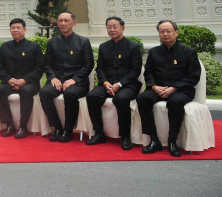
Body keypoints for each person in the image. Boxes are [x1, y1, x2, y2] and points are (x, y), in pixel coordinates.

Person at [137, 19, 201, 157]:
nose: (165, 34)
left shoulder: (188, 52)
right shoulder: (154, 52)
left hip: (181, 90)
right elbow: (148, 73)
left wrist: (174, 88)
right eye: (162, 31)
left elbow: (193, 76)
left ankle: (172, 141)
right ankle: (154, 140)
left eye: (168, 31)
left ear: (176, 32)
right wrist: (155, 87)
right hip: (158, 89)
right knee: (142, 99)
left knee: (175, 102)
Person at [85, 16, 142, 150]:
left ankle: (125, 136)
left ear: (123, 28)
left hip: (127, 84)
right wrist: (105, 83)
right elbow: (100, 68)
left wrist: (119, 84)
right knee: (92, 97)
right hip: (108, 83)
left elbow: (135, 70)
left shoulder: (133, 46)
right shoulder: (104, 47)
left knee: (121, 99)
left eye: (115, 27)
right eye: (109, 27)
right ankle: (99, 133)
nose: (112, 29)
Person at [39, 11, 94, 143]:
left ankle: (68, 130)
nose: (63, 23)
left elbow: (89, 65)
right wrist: (53, 77)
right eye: (60, 21)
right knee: (44, 92)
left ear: (74, 23)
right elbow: (47, 64)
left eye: (66, 20)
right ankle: (57, 128)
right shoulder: (53, 42)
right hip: (57, 79)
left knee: (70, 93)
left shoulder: (83, 41)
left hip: (77, 82)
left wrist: (74, 79)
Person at [0, 18, 43, 139]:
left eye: (18, 28)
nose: (15, 30)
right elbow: (0, 66)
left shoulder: (34, 47)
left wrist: (24, 80)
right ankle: (9, 124)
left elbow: (39, 68)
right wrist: (9, 80)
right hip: (10, 82)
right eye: (13, 28)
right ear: (10, 30)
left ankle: (23, 126)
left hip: (29, 83)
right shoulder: (5, 47)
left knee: (26, 91)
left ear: (24, 30)